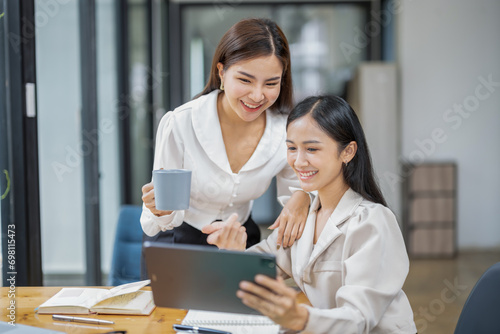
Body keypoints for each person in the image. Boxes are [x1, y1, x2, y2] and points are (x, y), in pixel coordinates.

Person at [203, 95, 417, 333]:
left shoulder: (372, 222)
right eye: (292, 148)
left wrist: (298, 318)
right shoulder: (302, 215)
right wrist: (233, 251)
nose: (299, 161)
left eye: (312, 149)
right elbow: (261, 272)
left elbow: (358, 319)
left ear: (347, 152)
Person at [140, 18, 311, 278]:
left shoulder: (285, 131)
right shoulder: (181, 122)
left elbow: (300, 186)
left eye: (271, 83)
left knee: (241, 319)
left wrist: (303, 197)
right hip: (177, 243)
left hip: (242, 242)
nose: (257, 96)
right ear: (221, 72)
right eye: (245, 80)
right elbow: (161, 218)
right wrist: (159, 209)